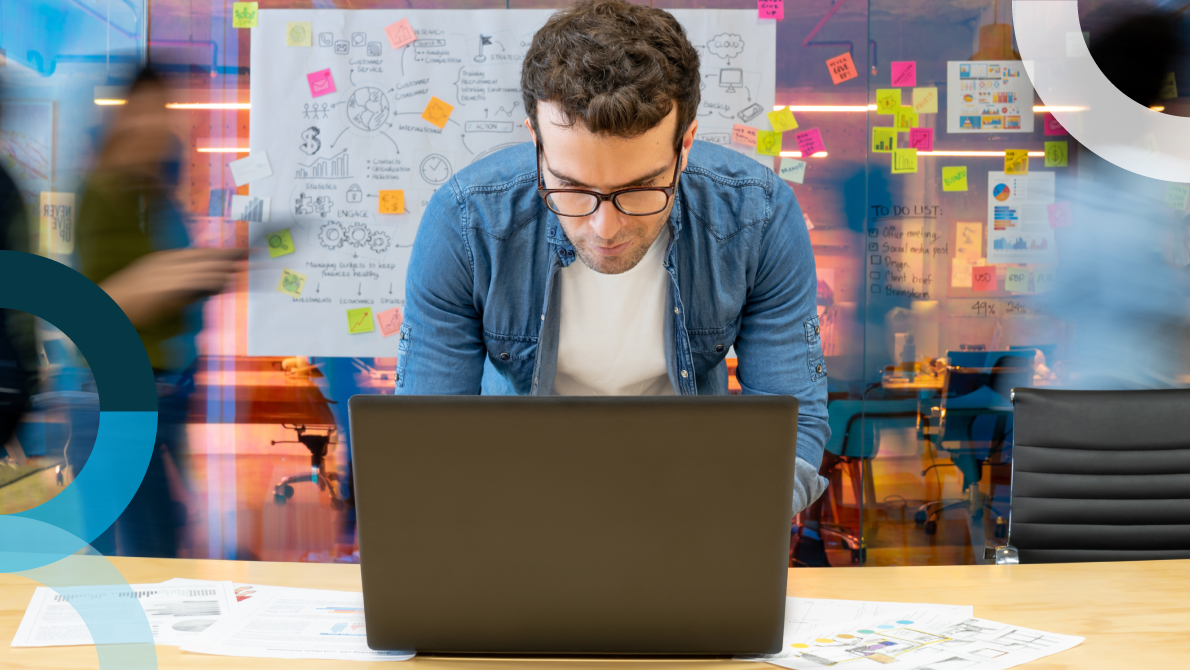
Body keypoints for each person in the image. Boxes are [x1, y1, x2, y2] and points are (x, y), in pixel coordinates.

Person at [398, 0, 829, 513]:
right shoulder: (466, 222)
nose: (605, 228)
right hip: (515, 503)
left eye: (641, 188)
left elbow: (791, 421)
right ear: (536, 141)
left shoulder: (757, 217)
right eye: (572, 187)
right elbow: (428, 439)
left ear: (685, 145)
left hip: (693, 502)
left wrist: (739, 525)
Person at [76, 67, 243, 556]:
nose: (160, 126)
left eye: (165, 111)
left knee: (159, 549)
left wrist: (201, 273)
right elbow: (105, 304)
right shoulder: (104, 194)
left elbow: (167, 290)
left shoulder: (153, 197)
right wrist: (178, 274)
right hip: (121, 394)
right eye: (150, 110)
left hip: (164, 391)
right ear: (126, 117)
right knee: (138, 555)